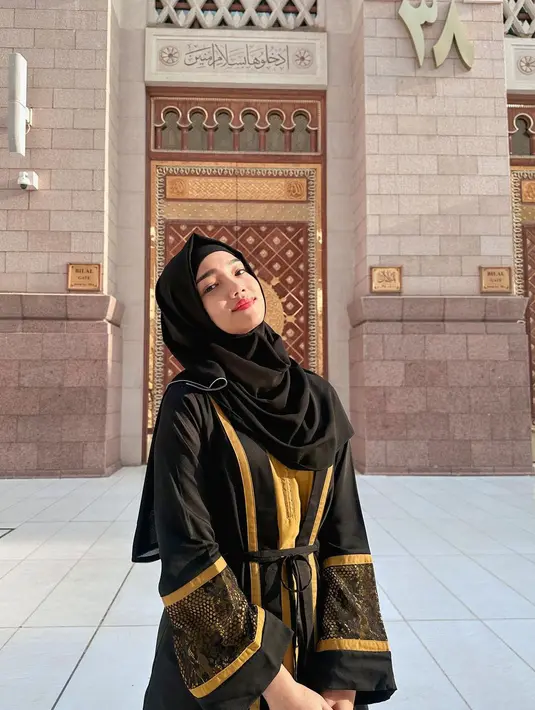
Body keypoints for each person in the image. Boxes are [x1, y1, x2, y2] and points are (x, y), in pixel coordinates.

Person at [132, 234, 396, 710]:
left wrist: (343, 676)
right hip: (220, 647)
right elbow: (187, 551)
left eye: (239, 270)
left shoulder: (316, 397)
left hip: (315, 643)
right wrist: (280, 687)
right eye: (210, 286)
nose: (234, 287)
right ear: (191, 312)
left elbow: (346, 537)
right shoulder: (191, 402)